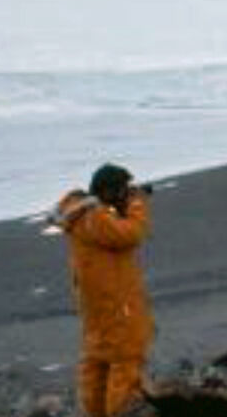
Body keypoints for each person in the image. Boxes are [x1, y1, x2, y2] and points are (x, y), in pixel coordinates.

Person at [53, 163, 154, 417]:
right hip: (118, 307)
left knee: (97, 363)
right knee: (126, 360)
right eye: (122, 190)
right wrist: (137, 205)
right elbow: (130, 234)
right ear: (108, 192)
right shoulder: (95, 219)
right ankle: (121, 412)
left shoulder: (82, 218)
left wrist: (120, 206)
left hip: (96, 308)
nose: (126, 194)